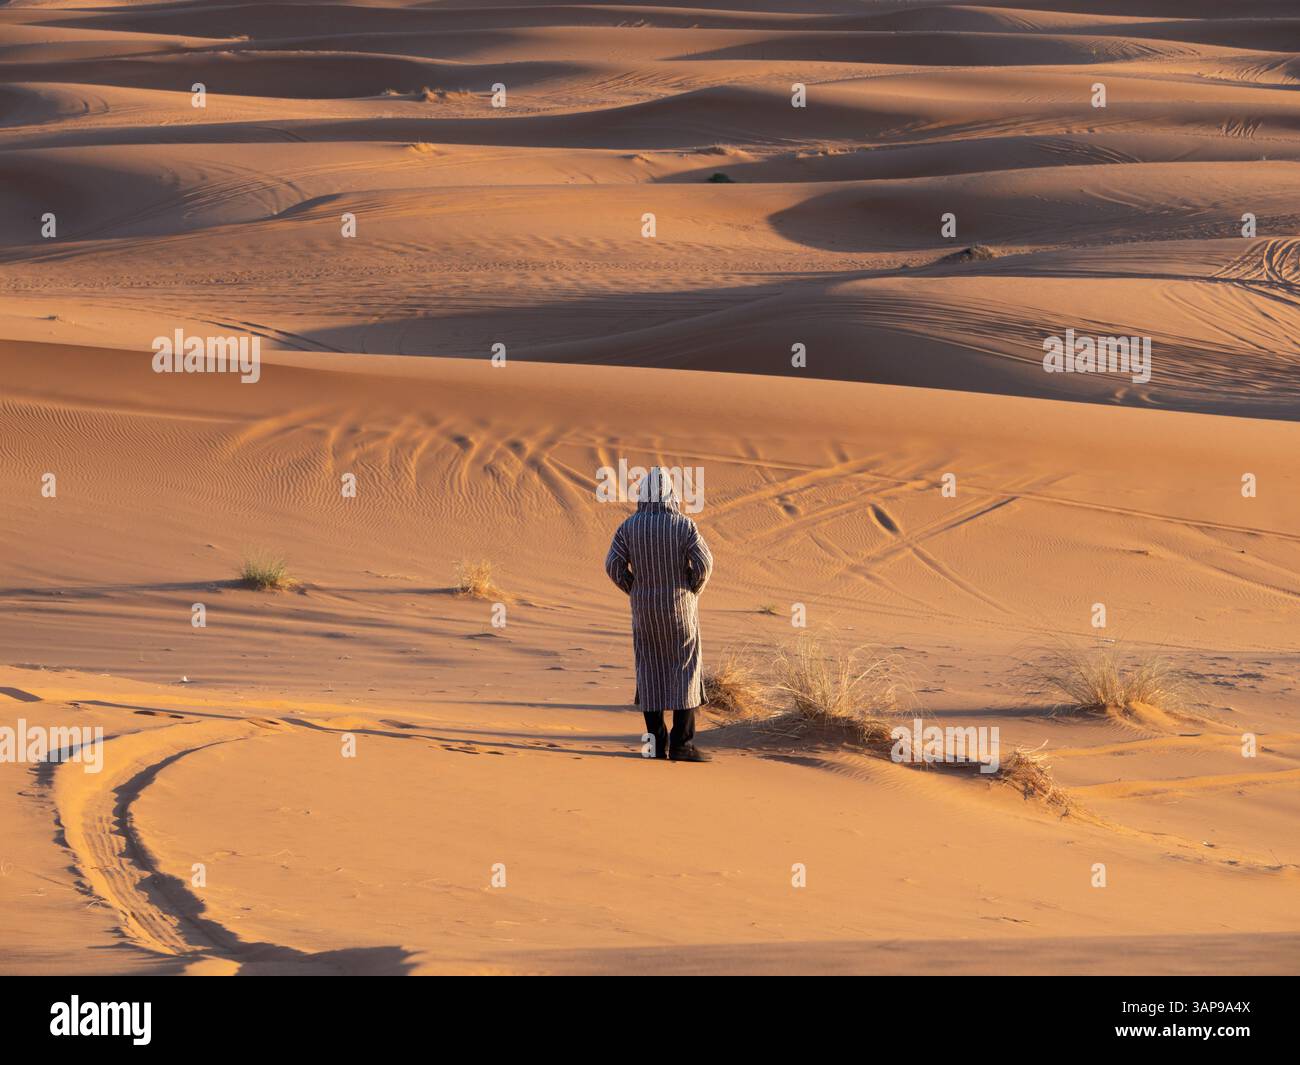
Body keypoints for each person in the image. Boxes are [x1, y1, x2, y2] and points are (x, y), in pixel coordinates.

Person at [604, 466, 714, 762]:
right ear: (671, 493)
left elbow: (612, 565)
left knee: (649, 671)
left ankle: (654, 745)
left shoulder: (628, 527)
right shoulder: (683, 525)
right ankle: (682, 744)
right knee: (686, 669)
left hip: (645, 611)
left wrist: (635, 589)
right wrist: (692, 588)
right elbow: (704, 562)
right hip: (680, 608)